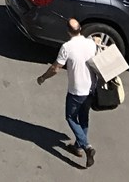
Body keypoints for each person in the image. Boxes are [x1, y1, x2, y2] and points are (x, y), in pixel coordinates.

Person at [37, 18, 97, 167]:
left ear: (68, 31)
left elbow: (55, 68)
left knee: (70, 117)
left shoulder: (67, 47)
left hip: (76, 90)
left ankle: (86, 146)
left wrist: (43, 77)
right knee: (84, 117)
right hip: (90, 87)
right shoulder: (90, 43)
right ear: (80, 29)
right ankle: (78, 147)